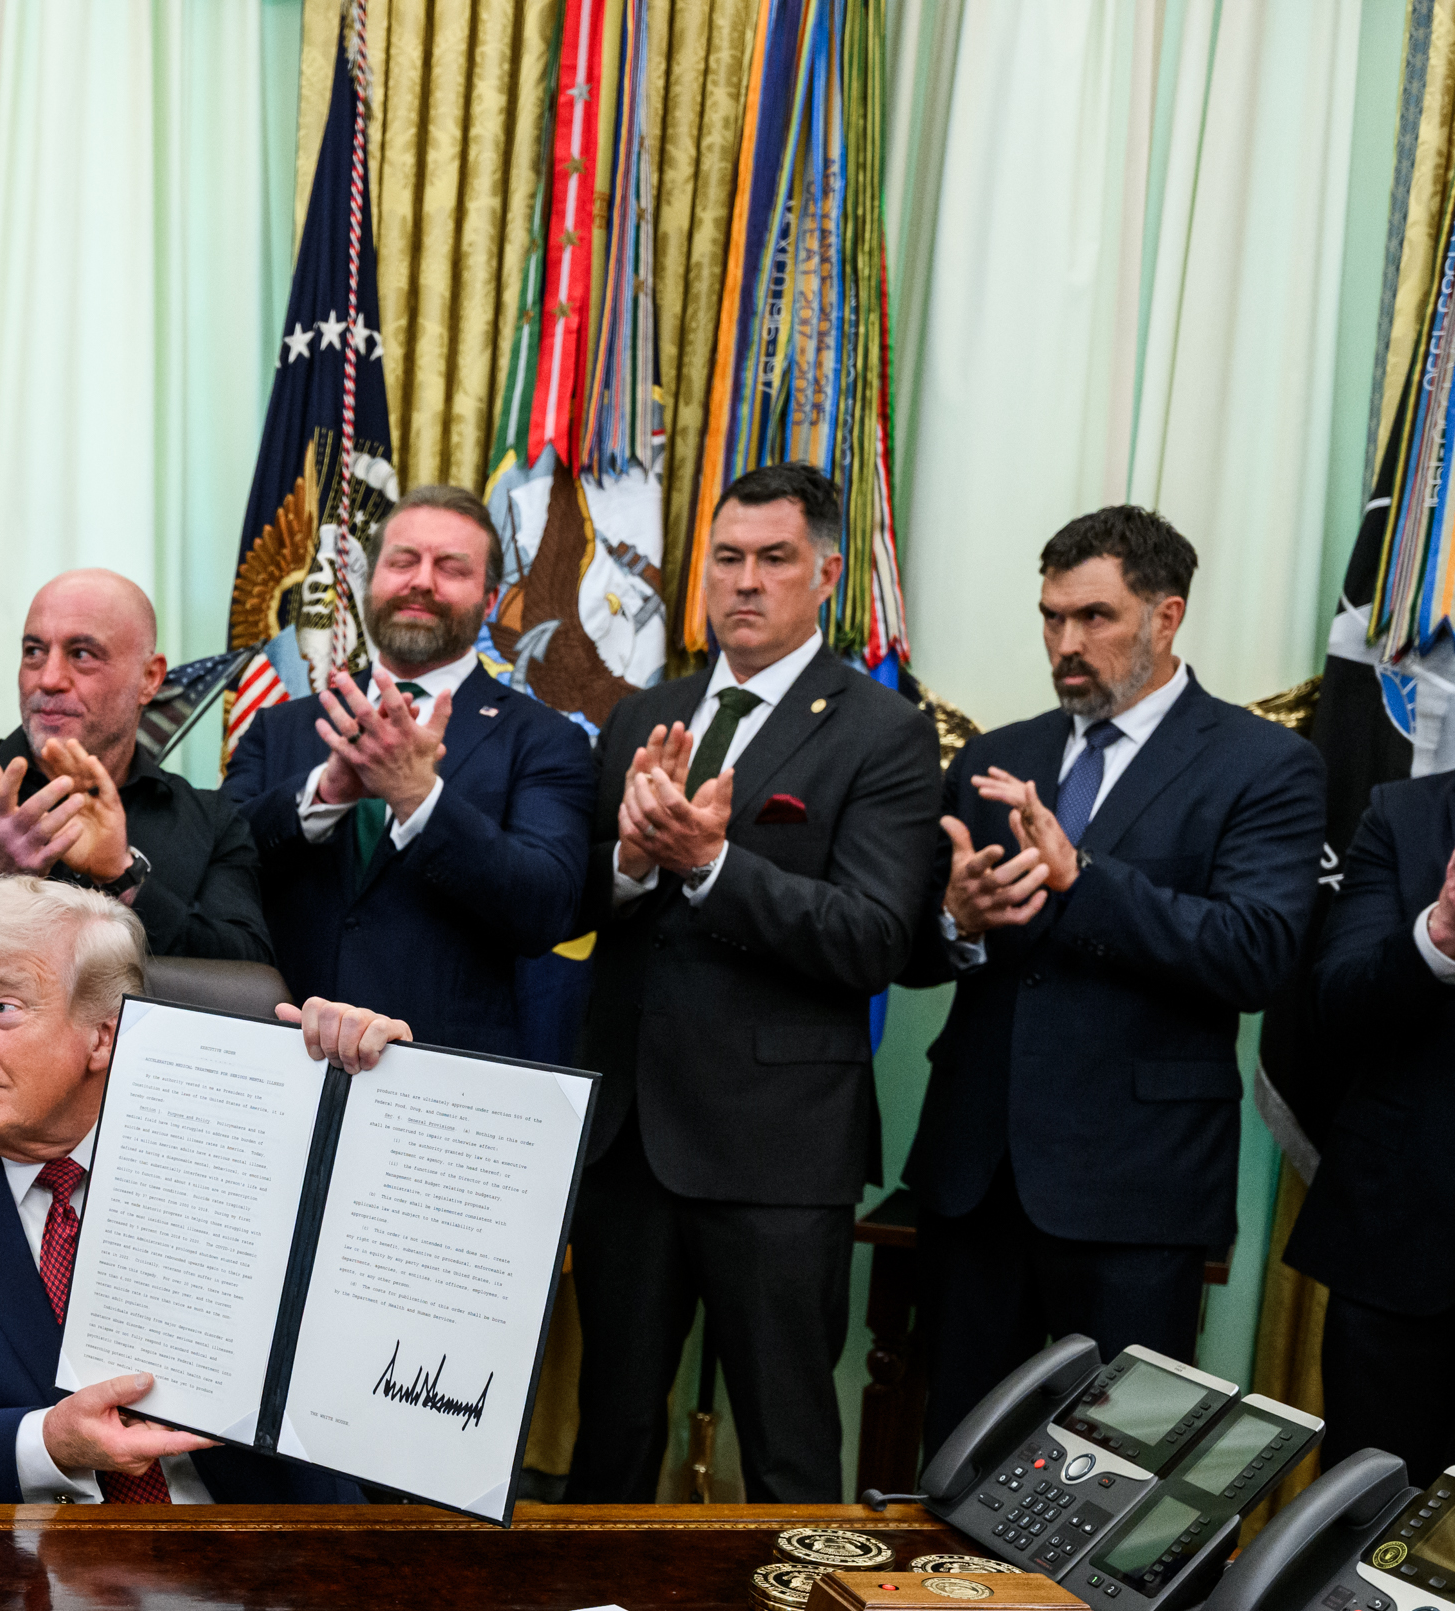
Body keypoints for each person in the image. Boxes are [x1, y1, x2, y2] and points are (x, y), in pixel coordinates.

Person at [900, 508, 1324, 1447]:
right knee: (958, 1456)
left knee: (1116, 1483)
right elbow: (914, 951)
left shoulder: (1265, 766)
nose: (1066, 643)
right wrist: (955, 921)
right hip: (980, 1175)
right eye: (1051, 618)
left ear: (1167, 618)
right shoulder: (992, 757)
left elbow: (1253, 952)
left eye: (1094, 618)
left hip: (1140, 1185)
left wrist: (1082, 880)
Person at [561, 462, 939, 1505]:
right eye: (727, 558)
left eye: (774, 559)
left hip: (777, 1148)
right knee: (613, 1435)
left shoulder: (883, 731)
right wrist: (635, 863)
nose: (745, 581)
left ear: (824, 574)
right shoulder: (647, 712)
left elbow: (872, 938)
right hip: (630, 1138)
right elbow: (578, 901)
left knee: (786, 1446)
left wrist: (713, 865)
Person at [0, 875, 378, 1504]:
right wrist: (43, 1444)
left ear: (102, 1034)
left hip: (257, 1550)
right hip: (27, 1568)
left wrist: (377, 1095)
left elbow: (373, 1333)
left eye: (3, 1008)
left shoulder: (241, 1148)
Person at [222, 485, 594, 1056]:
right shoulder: (280, 727)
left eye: (451, 568)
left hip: (439, 1077)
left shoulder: (547, 740)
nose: (421, 581)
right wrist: (322, 796)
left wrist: (420, 800)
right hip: (280, 1055)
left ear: (490, 598)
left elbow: (545, 910)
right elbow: (218, 872)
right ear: (371, 582)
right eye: (402, 561)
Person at [0, 569, 268, 961]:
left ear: (150, 679)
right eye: (34, 651)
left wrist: (123, 881)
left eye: (82, 654)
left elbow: (244, 977)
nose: (48, 678)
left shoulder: (213, 821)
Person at [1281, 768, 1453, 1476]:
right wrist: (1438, 938)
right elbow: (1337, 1004)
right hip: (1405, 1253)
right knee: (1370, 1536)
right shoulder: (1405, 813)